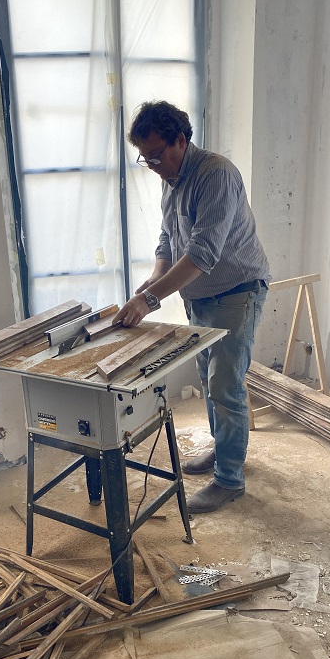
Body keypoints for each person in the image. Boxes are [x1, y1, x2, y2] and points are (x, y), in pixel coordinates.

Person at [113, 101, 270, 513]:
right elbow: (168, 240)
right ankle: (223, 451)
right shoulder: (171, 176)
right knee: (208, 379)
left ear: (181, 140)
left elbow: (202, 254)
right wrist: (153, 281)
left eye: (156, 155)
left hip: (236, 291)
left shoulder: (216, 175)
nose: (152, 165)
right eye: (144, 158)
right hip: (199, 296)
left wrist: (149, 300)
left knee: (226, 386)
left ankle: (230, 480)